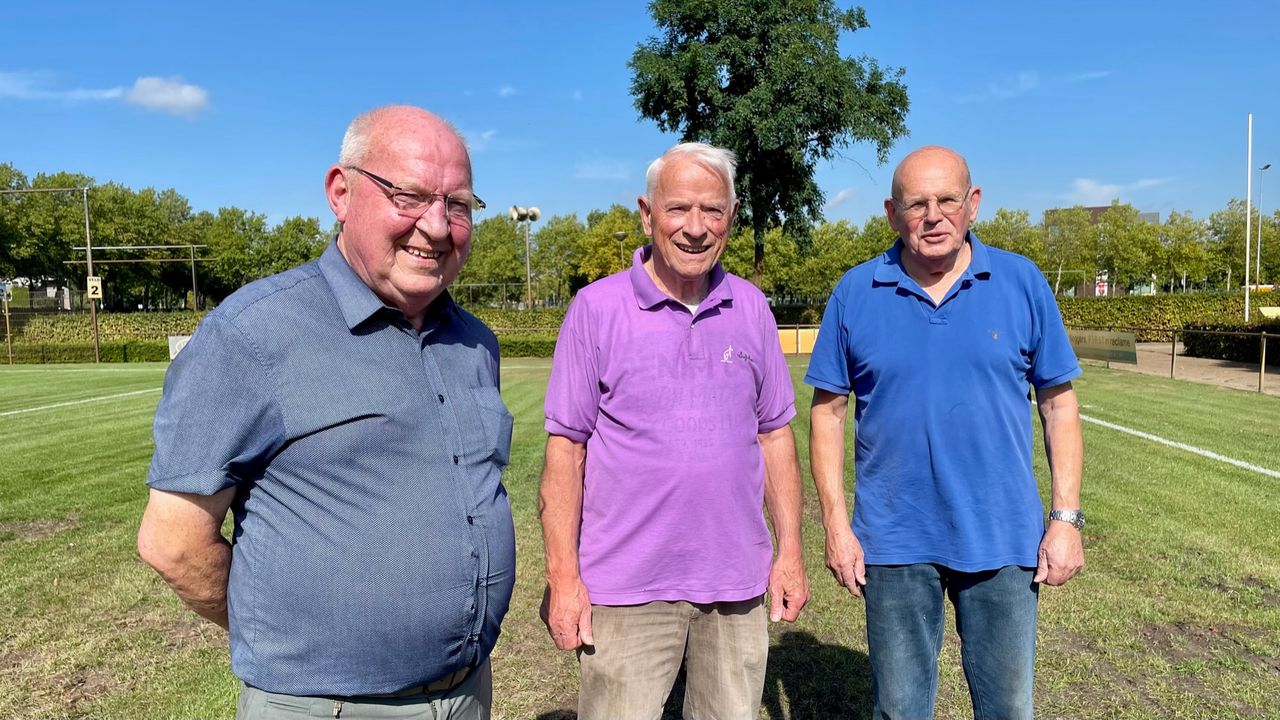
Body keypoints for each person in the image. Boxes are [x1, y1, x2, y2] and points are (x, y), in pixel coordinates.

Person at [136, 105, 515, 719]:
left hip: (467, 695)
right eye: (410, 196)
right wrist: (294, 638)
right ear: (342, 193)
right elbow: (173, 544)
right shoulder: (252, 335)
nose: (438, 226)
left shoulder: (475, 343)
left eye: (459, 205)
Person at [806, 145, 1085, 719]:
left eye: (947, 200)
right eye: (917, 203)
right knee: (900, 710)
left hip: (1003, 539)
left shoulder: (1021, 282)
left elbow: (1058, 405)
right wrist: (836, 524)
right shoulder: (856, 292)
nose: (933, 216)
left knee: (1007, 710)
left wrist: (1064, 520)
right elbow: (827, 414)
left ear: (973, 204)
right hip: (894, 539)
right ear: (892, 212)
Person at [538, 142, 809, 720]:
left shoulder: (752, 308)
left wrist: (790, 553)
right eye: (678, 209)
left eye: (712, 211)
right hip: (626, 586)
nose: (695, 228)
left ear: (731, 218)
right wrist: (564, 577)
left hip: (736, 583)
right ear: (647, 213)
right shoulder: (595, 309)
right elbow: (567, 449)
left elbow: (776, 436)